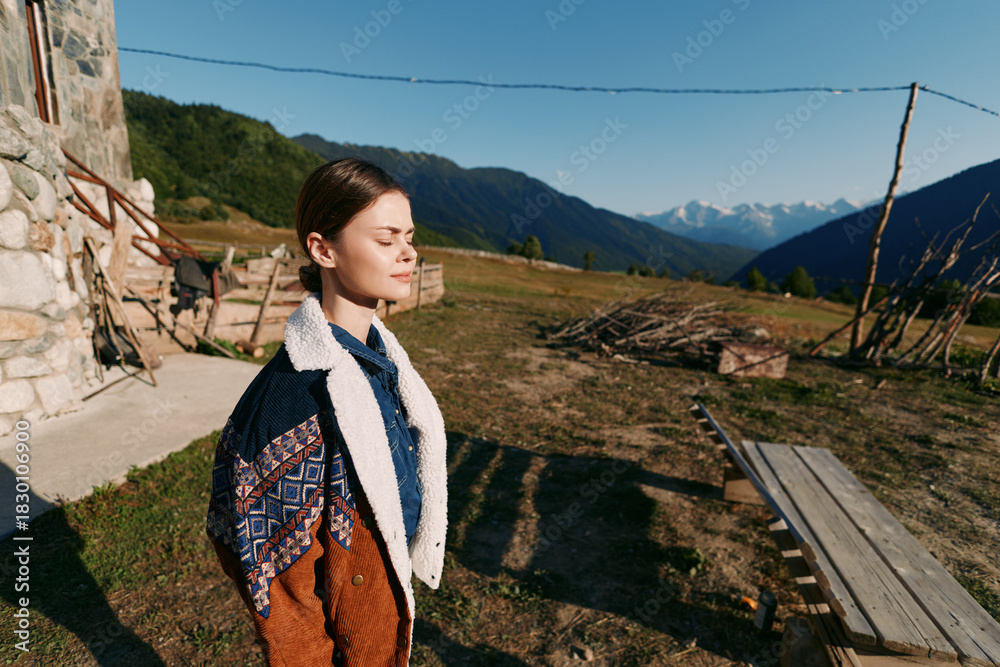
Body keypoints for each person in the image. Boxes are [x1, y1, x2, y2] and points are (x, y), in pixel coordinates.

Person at [206, 157, 448, 666]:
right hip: (345, 616)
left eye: (409, 237)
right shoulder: (292, 398)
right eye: (386, 240)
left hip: (384, 583)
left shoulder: (379, 360)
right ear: (323, 249)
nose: (408, 253)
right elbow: (274, 582)